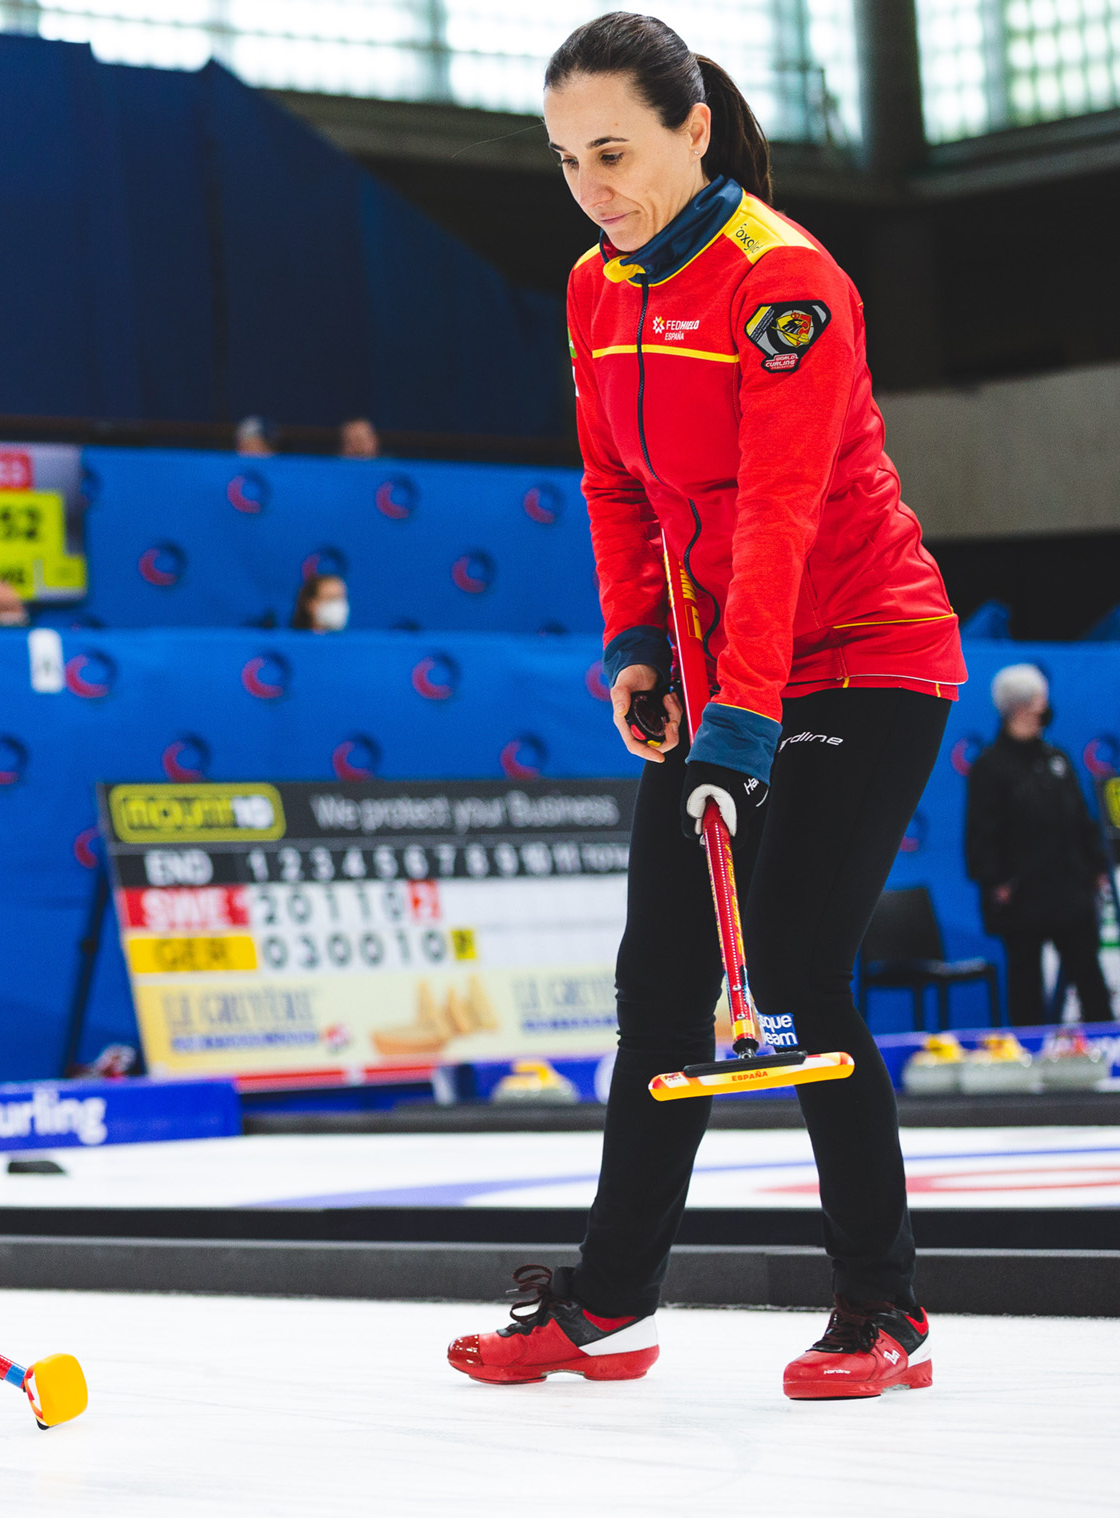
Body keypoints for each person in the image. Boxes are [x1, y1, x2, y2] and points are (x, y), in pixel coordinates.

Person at [448, 12, 963, 1403]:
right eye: (566, 162)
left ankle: (884, 1307)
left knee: (795, 976)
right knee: (656, 982)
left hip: (863, 651)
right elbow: (619, 489)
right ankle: (607, 1303)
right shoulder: (593, 289)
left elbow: (784, 512)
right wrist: (636, 649)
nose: (593, 186)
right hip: (720, 655)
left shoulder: (783, 281)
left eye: (613, 152)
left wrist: (739, 724)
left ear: (694, 130)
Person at [965, 663, 1115, 1027]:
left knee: (1090, 979)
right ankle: (1027, 1068)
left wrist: (1096, 869)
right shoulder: (990, 767)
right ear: (1021, 706)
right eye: (1040, 700)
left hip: (1070, 891)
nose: (1045, 708)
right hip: (1023, 897)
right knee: (1026, 985)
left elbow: (1081, 821)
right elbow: (980, 834)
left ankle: (1107, 1056)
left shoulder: (1056, 759)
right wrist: (996, 882)